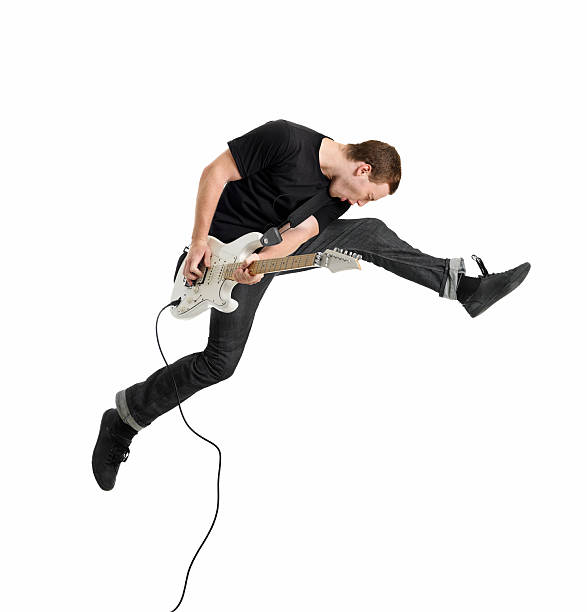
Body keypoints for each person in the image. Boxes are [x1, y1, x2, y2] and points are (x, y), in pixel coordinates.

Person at [92, 119, 530, 491]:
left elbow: (298, 236)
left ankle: (460, 285)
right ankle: (125, 418)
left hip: (253, 260)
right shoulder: (286, 139)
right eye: (367, 194)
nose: (358, 202)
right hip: (215, 253)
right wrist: (198, 242)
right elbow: (214, 173)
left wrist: (261, 264)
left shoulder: (333, 197)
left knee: (368, 231)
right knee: (220, 363)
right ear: (362, 168)